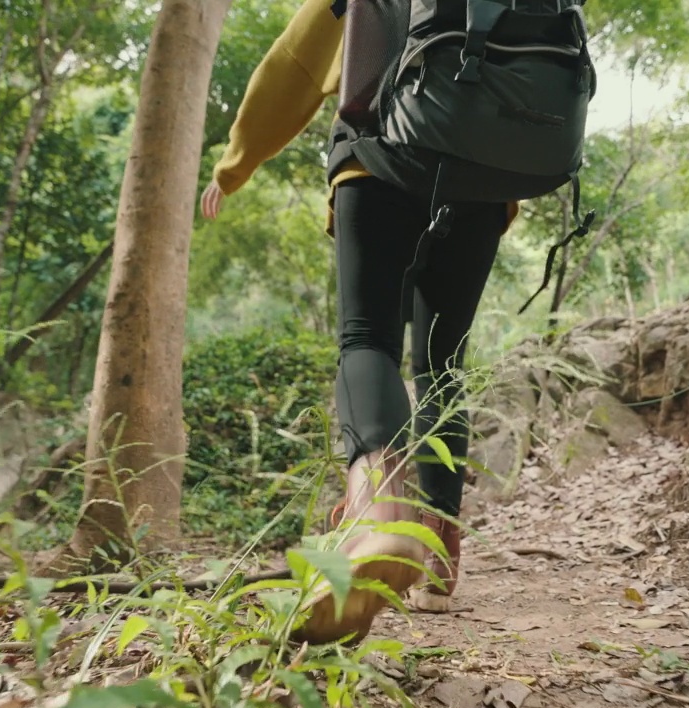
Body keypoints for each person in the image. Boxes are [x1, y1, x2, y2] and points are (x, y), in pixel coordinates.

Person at [200, 0, 519, 645]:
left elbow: (290, 66)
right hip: (482, 185)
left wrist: (233, 166)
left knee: (368, 338)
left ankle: (380, 513)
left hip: (377, 164)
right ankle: (441, 560)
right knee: (442, 364)